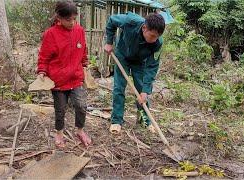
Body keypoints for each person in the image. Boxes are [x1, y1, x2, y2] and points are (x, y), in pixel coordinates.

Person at [37, 0, 91, 148]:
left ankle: (80, 130)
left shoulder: (79, 30)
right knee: (60, 109)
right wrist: (42, 71)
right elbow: (44, 56)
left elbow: (83, 50)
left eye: (74, 19)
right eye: (68, 20)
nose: (72, 22)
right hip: (58, 80)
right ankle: (59, 133)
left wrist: (85, 65)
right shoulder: (51, 34)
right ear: (58, 18)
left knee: (81, 105)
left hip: (76, 77)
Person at [104, 12, 165, 134]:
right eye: (152, 36)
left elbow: (152, 66)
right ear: (144, 28)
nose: (154, 40)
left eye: (157, 37)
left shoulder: (157, 43)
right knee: (119, 88)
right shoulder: (130, 21)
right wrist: (109, 42)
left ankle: (145, 121)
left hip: (140, 62)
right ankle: (116, 121)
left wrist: (145, 90)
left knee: (142, 92)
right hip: (122, 56)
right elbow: (111, 21)